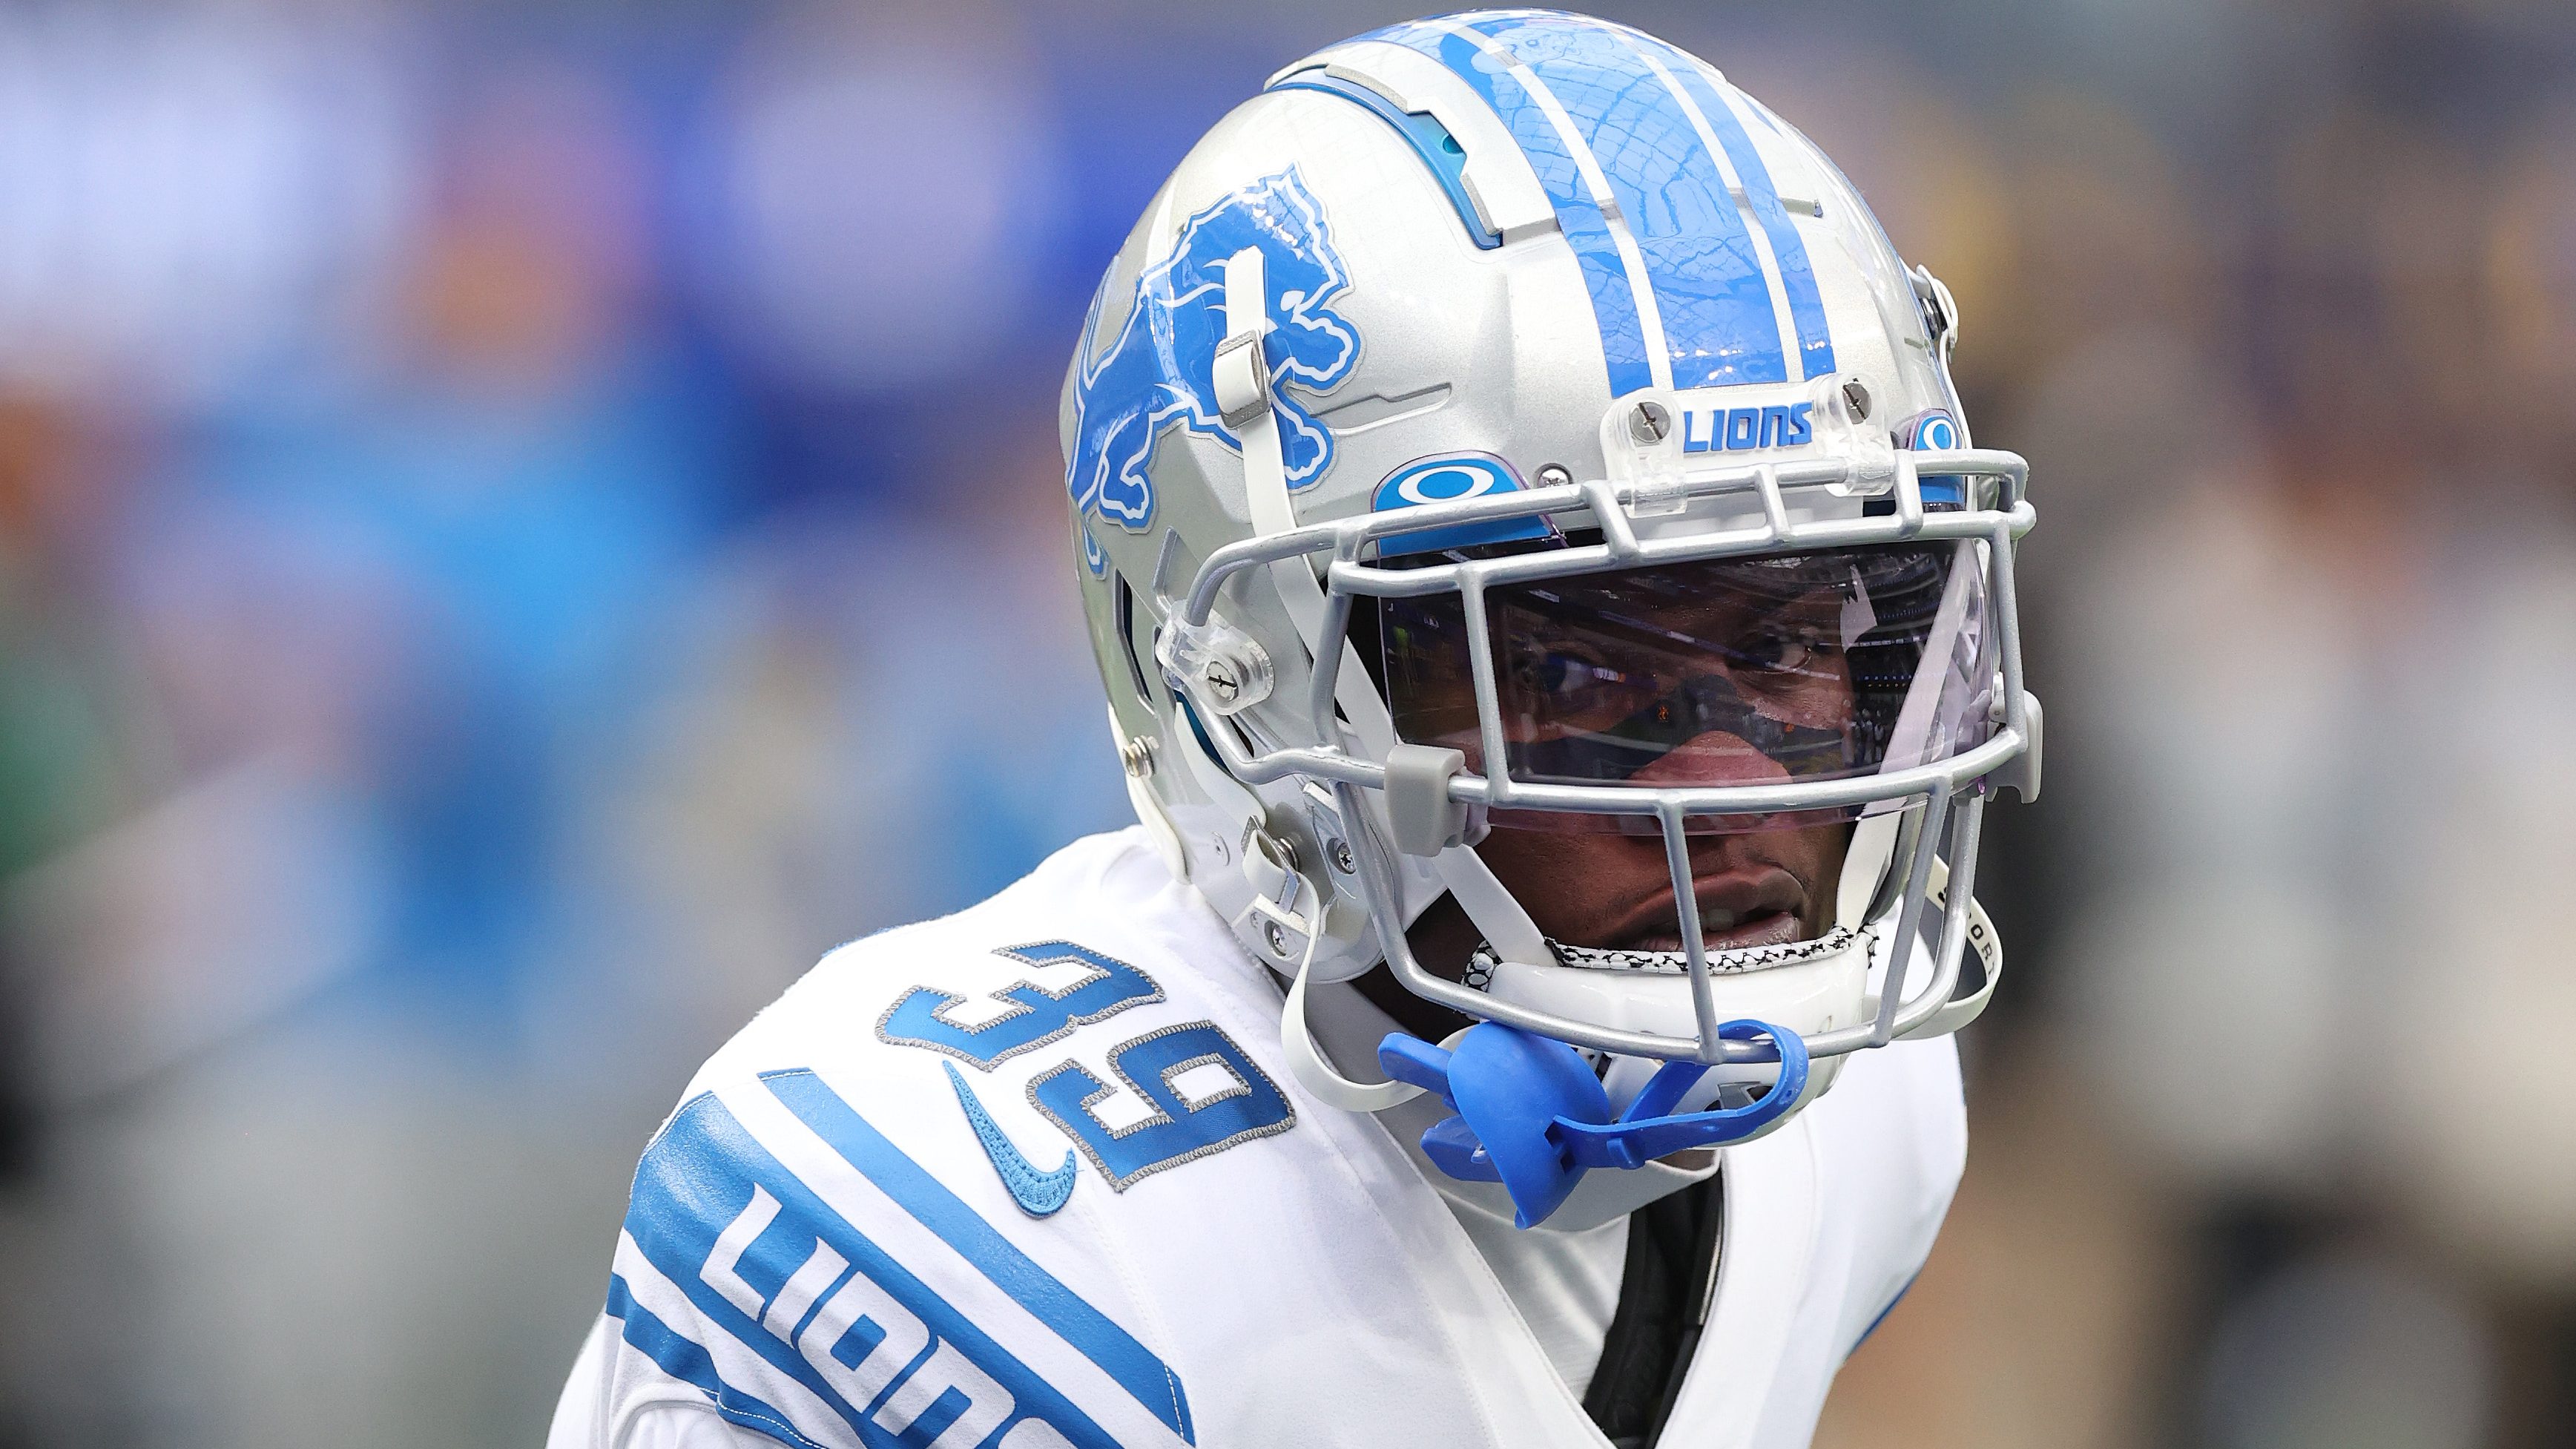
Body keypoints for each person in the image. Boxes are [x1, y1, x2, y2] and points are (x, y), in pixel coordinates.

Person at [547, 10, 2040, 1448]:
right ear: (1236, 678)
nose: (1731, 786)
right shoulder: (954, 1219)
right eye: (1577, 682)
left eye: (1785, 645)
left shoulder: (1861, 1108)